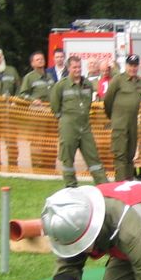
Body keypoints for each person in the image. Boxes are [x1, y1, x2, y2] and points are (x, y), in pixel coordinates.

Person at [50, 55, 108, 187]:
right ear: (68, 68)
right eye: (74, 67)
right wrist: (64, 119)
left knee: (93, 156)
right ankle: (71, 186)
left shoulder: (87, 84)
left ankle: (103, 185)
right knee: (68, 158)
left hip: (85, 126)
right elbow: (54, 106)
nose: (77, 70)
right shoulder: (61, 85)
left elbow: (88, 103)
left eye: (79, 67)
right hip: (68, 126)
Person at [103, 54, 141, 181]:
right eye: (130, 65)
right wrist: (115, 117)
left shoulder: (140, 82)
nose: (133, 68)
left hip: (133, 123)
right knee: (120, 153)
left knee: (130, 154)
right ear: (126, 66)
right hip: (120, 122)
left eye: (135, 66)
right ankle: (120, 182)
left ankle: (129, 181)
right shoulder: (118, 79)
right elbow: (107, 100)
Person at [19, 51, 57, 172]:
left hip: (50, 113)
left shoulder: (50, 76)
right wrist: (32, 100)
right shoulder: (29, 77)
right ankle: (37, 167)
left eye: (42, 59)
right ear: (32, 64)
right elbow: (22, 94)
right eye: (37, 59)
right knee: (37, 141)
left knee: (50, 140)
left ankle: (50, 165)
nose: (40, 61)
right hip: (37, 114)